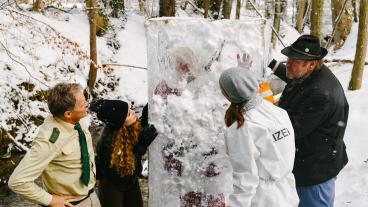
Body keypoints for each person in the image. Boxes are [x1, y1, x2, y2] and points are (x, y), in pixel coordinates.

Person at [268, 34, 349, 207]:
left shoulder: (320, 94)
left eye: (293, 60)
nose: (287, 63)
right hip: (309, 160)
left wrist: (263, 110)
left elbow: (291, 129)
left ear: (311, 64)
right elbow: (292, 75)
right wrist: (272, 64)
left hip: (315, 171)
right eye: (288, 58)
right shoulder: (311, 73)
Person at [8, 83, 100, 207]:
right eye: (83, 103)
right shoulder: (48, 141)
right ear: (68, 114)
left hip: (91, 196)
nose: (87, 105)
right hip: (71, 204)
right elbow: (17, 181)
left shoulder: (75, 120)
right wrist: (50, 200)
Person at [219, 67, 299, 207]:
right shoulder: (277, 111)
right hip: (287, 193)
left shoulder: (241, 128)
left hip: (264, 199)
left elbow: (245, 178)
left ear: (228, 94)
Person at [89, 100, 158, 207]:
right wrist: (141, 147)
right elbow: (124, 175)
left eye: (131, 109)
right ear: (120, 122)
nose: (133, 112)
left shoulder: (125, 127)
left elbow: (139, 131)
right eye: (129, 114)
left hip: (130, 179)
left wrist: (145, 119)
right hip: (113, 183)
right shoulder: (108, 144)